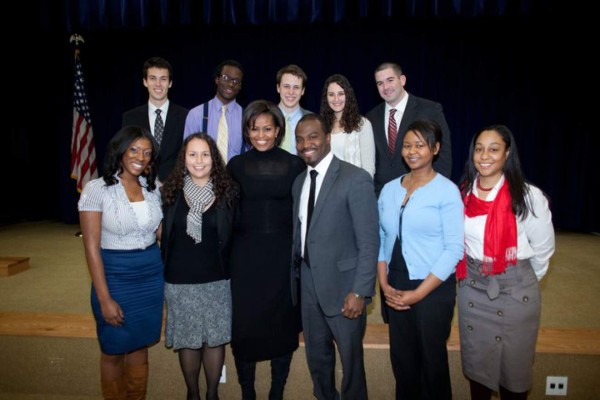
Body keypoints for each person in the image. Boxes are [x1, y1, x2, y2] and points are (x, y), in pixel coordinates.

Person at [457, 125, 555, 400]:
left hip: (514, 293)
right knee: (477, 370)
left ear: (507, 153)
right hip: (473, 289)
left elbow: (544, 250)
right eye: (479, 149)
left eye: (493, 149)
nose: (484, 156)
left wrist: (516, 279)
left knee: (513, 374)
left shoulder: (527, 196)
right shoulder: (465, 193)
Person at [292, 113, 379, 400]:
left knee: (352, 368)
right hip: (309, 288)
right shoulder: (298, 183)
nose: (307, 144)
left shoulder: (355, 178)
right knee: (318, 362)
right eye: (300, 139)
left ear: (328, 137)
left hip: (345, 290)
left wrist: (360, 291)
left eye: (313, 136)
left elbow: (369, 242)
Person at [377, 120, 464, 399]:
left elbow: (454, 250)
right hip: (395, 284)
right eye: (406, 145)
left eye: (420, 145)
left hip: (432, 288)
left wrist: (417, 295)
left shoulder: (447, 191)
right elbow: (380, 238)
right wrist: (384, 284)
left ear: (435, 148)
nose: (412, 151)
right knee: (402, 361)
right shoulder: (390, 189)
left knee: (432, 363)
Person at [78, 126, 164, 399]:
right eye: (135, 150)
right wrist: (104, 298)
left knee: (140, 345)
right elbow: (91, 247)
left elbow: (162, 233)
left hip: (150, 277)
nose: (141, 157)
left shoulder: (153, 188)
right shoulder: (97, 189)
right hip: (115, 276)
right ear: (121, 151)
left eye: (147, 153)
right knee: (113, 348)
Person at [227, 100, 305, 400]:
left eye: (267, 129)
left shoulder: (295, 164)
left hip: (283, 258)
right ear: (247, 131)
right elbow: (228, 213)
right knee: (245, 326)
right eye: (255, 128)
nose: (261, 135)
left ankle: (276, 391)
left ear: (278, 131)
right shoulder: (235, 165)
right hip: (245, 257)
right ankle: (247, 392)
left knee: (281, 325)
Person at [160, 133, 237, 400]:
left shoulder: (229, 193)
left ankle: (212, 393)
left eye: (205, 154)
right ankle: (192, 393)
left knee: (214, 339)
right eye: (192, 154)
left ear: (213, 158)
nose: (199, 160)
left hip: (217, 279)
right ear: (184, 158)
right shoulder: (169, 193)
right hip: (179, 281)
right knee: (188, 340)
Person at [366, 62, 452, 195]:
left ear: (402, 80)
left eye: (390, 80)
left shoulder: (430, 110)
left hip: (422, 192)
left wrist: (437, 191)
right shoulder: (371, 117)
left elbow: (444, 154)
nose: (386, 87)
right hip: (382, 196)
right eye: (380, 83)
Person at [122, 56, 189, 182]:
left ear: (170, 83)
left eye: (163, 79)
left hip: (175, 189)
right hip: (140, 188)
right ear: (145, 81)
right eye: (153, 78)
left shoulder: (186, 116)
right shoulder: (130, 117)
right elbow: (126, 156)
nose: (158, 84)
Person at [184, 59, 245, 162]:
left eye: (236, 81)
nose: (231, 84)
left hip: (237, 177)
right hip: (203, 176)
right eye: (226, 78)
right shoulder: (196, 114)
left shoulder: (247, 117)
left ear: (240, 86)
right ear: (217, 79)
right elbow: (187, 154)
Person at [320, 73, 375, 177]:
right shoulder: (321, 126)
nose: (336, 99)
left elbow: (369, 168)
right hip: (328, 189)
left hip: (354, 188)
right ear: (326, 98)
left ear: (348, 95)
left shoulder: (362, 125)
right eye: (331, 94)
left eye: (341, 93)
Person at [276, 64, 312, 154]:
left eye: (296, 87)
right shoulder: (266, 117)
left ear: (303, 91)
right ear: (278, 88)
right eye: (286, 86)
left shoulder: (313, 120)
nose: (291, 92)